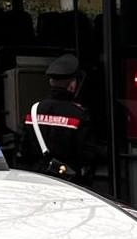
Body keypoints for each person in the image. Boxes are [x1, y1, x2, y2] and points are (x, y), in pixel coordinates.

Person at [16, 54, 99, 185]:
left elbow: (23, 153)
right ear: (72, 85)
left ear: (51, 82)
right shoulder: (78, 115)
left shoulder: (33, 111)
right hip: (69, 183)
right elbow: (88, 157)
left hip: (38, 181)